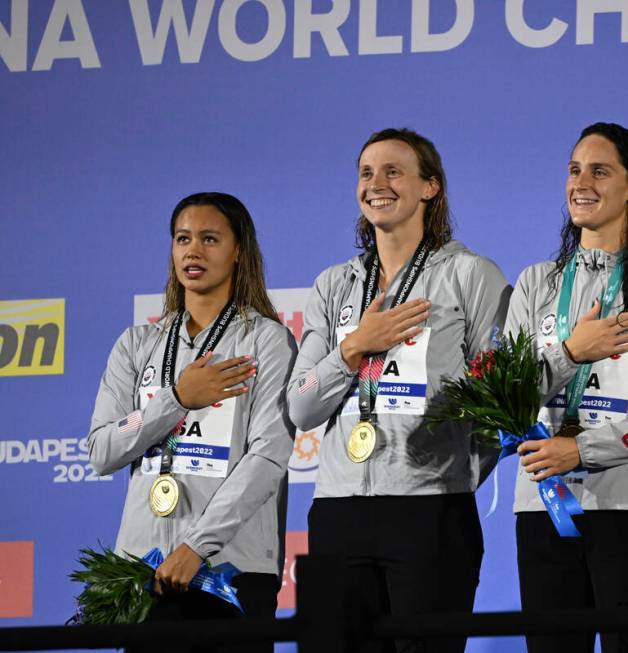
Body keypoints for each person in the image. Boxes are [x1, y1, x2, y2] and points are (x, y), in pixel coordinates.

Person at [287, 128, 511, 653]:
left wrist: (454, 470)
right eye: (366, 173)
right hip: (338, 511)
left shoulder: (470, 275)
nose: (376, 184)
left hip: (431, 511)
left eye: (393, 171)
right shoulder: (334, 285)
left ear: (430, 187)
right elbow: (301, 405)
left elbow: (503, 402)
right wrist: (355, 348)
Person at [504, 122, 628, 653]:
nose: (580, 182)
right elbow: (506, 399)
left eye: (599, 170)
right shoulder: (535, 284)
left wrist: (585, 450)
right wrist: (571, 353)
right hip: (543, 500)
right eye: (573, 170)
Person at [87, 192, 297, 652]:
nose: (192, 251)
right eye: (183, 239)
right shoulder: (137, 343)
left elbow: (267, 457)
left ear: (239, 250)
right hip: (143, 572)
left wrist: (196, 548)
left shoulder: (266, 340)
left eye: (209, 239)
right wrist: (176, 398)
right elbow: (102, 451)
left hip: (231, 570)